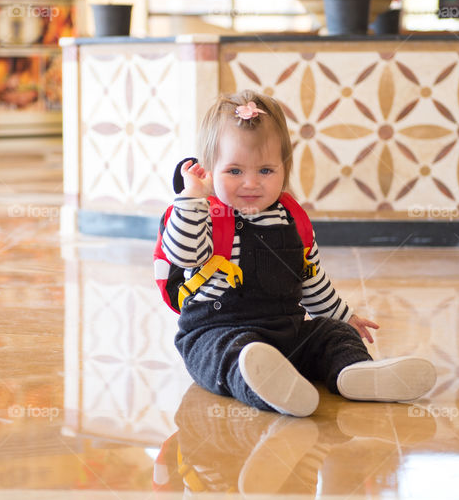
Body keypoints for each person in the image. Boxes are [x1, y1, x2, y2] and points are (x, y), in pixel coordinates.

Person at [161, 90, 436, 417]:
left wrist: (344, 316)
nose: (251, 183)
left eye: (265, 171)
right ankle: (268, 387)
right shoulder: (204, 214)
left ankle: (355, 373)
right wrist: (191, 198)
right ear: (207, 170)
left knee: (333, 335)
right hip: (215, 332)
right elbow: (185, 253)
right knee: (231, 354)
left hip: (284, 333)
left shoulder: (292, 219)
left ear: (284, 169)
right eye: (234, 171)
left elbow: (310, 280)